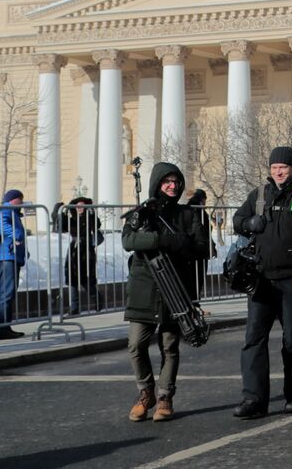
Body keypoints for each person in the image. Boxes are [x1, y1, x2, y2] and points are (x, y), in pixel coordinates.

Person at [232, 147, 292, 418]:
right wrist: (250, 223)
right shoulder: (259, 195)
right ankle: (254, 399)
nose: (278, 171)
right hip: (261, 280)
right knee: (253, 340)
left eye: (283, 167)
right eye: (274, 166)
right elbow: (237, 220)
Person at [121, 162, 209, 422]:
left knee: (169, 346)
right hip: (144, 287)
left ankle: (164, 397)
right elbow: (129, 240)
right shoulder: (144, 212)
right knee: (136, 344)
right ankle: (145, 392)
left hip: (175, 288)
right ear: (157, 184)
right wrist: (163, 240)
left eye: (176, 181)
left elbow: (201, 246)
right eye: (167, 181)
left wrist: (182, 244)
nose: (172, 186)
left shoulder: (188, 215)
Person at [0, 189, 28, 340]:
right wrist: (17, 236)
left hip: (11, 255)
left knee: (8, 293)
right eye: (21, 200)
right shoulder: (5, 210)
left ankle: (4, 327)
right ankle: (1, 329)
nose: (22, 203)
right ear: (14, 200)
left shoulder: (11, 212)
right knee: (6, 293)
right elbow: (1, 226)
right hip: (7, 257)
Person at [63, 196, 102, 315]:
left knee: (87, 278)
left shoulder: (90, 218)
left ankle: (97, 301)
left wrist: (92, 213)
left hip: (87, 250)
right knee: (72, 278)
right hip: (74, 250)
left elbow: (97, 225)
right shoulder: (72, 219)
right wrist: (62, 212)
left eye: (83, 206)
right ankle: (74, 307)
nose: (80, 208)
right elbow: (62, 226)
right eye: (78, 206)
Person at [186, 189, 216, 300]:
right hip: (199, 249)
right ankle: (195, 304)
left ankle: (194, 303)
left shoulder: (189, 207)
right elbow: (203, 230)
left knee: (192, 279)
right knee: (198, 278)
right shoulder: (198, 209)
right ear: (203, 199)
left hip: (192, 249)